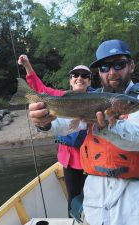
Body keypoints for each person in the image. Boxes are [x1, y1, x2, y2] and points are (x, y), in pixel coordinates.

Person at [27, 39, 139, 225]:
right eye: (104, 67)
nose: (112, 72)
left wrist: (110, 125)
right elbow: (62, 123)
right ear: (99, 72)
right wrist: (43, 121)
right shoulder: (92, 98)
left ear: (131, 66)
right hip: (95, 207)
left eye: (119, 64)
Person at [18, 54, 94, 216]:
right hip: (70, 159)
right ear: (70, 80)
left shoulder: (98, 97)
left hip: (93, 158)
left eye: (85, 76)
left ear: (90, 81)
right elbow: (40, 90)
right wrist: (27, 66)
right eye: (75, 75)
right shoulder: (60, 96)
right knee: (73, 197)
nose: (79, 78)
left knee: (93, 199)